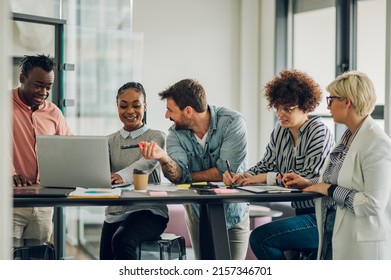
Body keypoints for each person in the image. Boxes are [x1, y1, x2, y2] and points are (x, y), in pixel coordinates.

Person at [223, 69, 334, 260]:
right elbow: (266, 163)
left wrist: (263, 178)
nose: (281, 114)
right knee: (262, 238)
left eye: (288, 109)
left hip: (323, 216)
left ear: (305, 107)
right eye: (278, 108)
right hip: (302, 212)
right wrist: (242, 176)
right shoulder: (280, 131)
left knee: (260, 238)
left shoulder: (319, 132)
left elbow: (303, 178)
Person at [283, 71, 391, 260]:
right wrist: (308, 183)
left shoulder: (376, 143)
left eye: (331, 99)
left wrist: (330, 190)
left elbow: (373, 204)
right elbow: (337, 179)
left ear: (347, 101)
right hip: (333, 233)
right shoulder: (348, 137)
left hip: (361, 246)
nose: (328, 106)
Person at [140, 78, 249, 260]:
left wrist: (188, 176)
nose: (167, 115)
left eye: (170, 110)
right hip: (197, 213)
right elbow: (177, 176)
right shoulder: (174, 133)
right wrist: (164, 158)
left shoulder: (232, 122)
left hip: (234, 211)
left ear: (188, 111)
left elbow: (225, 171)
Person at [99, 82, 168, 260]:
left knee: (122, 241)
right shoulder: (108, 140)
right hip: (116, 213)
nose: (130, 111)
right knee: (105, 259)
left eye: (136, 105)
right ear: (117, 107)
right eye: (124, 106)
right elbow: (98, 172)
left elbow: (145, 164)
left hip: (148, 211)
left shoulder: (156, 136)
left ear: (145, 106)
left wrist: (119, 176)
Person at [12, 54, 72, 247]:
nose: (44, 92)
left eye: (48, 87)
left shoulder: (54, 112)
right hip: (10, 201)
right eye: (38, 85)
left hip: (43, 202)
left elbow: (69, 148)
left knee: (38, 258)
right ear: (22, 78)